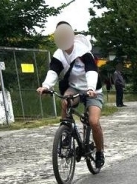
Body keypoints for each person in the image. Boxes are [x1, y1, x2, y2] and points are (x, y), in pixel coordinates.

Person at [36, 21, 106, 169]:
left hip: (92, 90)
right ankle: (66, 132)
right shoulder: (59, 54)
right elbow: (53, 71)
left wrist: (91, 88)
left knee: (93, 122)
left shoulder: (84, 51)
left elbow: (91, 71)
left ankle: (99, 152)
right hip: (74, 88)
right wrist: (45, 86)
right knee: (65, 101)